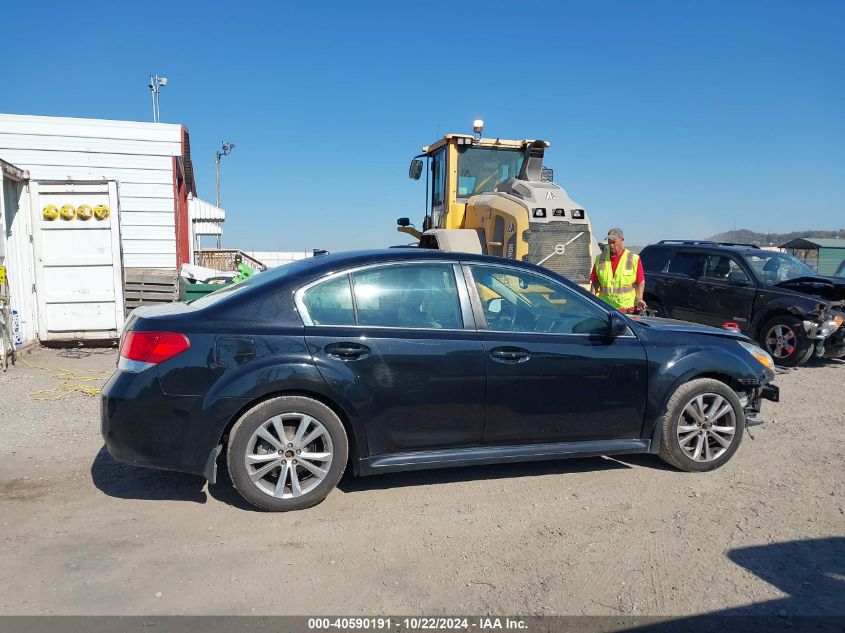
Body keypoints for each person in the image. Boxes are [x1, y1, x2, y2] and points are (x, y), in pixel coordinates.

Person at [590, 227, 647, 312]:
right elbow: (595, 281)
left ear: (622, 240)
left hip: (627, 309)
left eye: (614, 242)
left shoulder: (633, 258)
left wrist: (639, 299)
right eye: (609, 242)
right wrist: (592, 297)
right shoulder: (600, 259)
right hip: (606, 308)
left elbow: (640, 282)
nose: (611, 245)